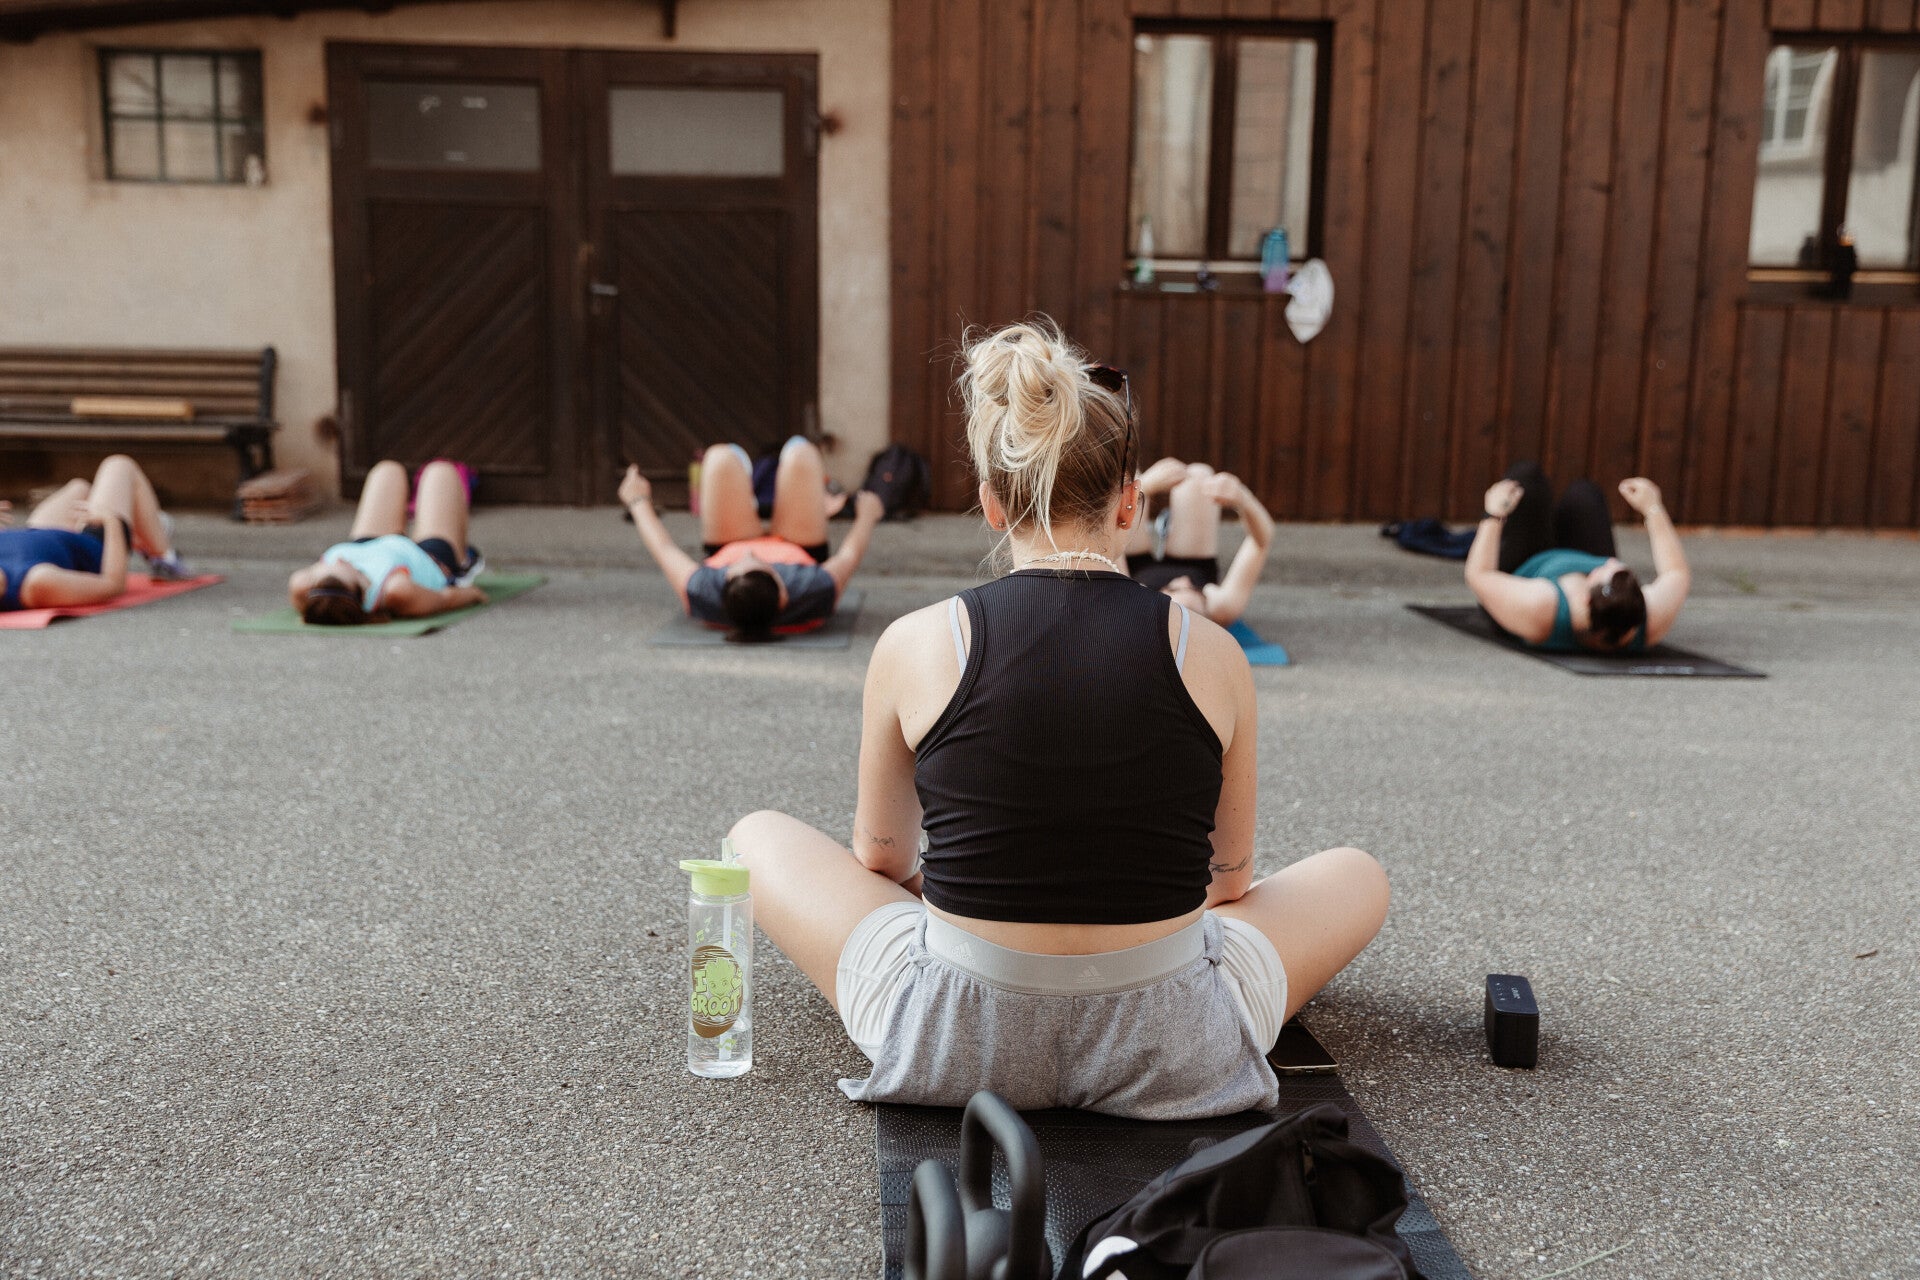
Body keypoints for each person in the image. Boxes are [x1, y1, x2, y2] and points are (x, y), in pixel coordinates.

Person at [727, 320, 1389, 1118]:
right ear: (1130, 504)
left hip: (958, 1035)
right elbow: (1229, 882)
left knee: (755, 838)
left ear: (990, 504)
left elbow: (881, 856)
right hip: (1174, 1040)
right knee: (1359, 875)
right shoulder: (1212, 651)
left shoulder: (915, 641)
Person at [620, 436, 884, 641]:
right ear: (784, 594)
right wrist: (868, 514)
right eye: (761, 564)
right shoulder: (812, 589)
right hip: (798, 544)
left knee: (720, 458)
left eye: (737, 567)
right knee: (801, 454)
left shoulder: (704, 590)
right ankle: (771, 482)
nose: (751, 554)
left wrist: (637, 499)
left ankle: (747, 484)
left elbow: (664, 549)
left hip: (730, 541)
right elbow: (849, 554)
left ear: (724, 587)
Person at [1466, 460, 1691, 652]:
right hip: (1569, 558)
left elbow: (1479, 574)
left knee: (1527, 478)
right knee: (1585, 494)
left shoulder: (1540, 608)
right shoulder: (1648, 622)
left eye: (1602, 570)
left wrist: (1493, 514)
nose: (1611, 562)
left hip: (1525, 563)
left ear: (1585, 599)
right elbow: (1676, 572)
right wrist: (1653, 507)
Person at [287, 459, 486, 626]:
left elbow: (310, 591)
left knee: (387, 470)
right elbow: (444, 599)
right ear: (363, 594)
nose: (340, 560)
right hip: (429, 558)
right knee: (440, 472)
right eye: (345, 566)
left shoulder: (306, 586)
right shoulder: (395, 591)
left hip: (368, 545)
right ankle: (466, 559)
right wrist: (473, 594)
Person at [0, 454, 190, 613]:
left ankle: (144, 528)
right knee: (118, 465)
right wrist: (111, 521)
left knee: (79, 487)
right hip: (95, 544)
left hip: (42, 534)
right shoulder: (37, 584)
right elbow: (113, 584)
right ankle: (165, 559)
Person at [1124, 456, 1275, 627]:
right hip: (1193, 561)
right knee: (1199, 477)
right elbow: (1261, 542)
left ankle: (1159, 516)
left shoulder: (1132, 602)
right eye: (1194, 589)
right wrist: (1242, 498)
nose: (1184, 580)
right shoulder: (1221, 608)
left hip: (1133, 566)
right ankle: (1169, 524)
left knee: (1127, 477)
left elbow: (1106, 528)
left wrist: (1143, 487)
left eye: (1173, 588)